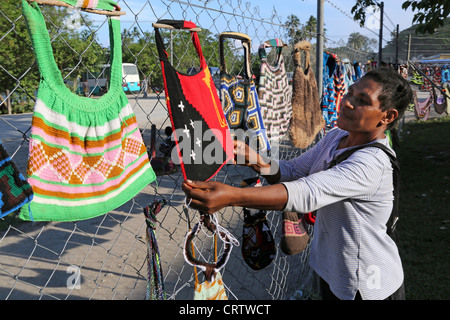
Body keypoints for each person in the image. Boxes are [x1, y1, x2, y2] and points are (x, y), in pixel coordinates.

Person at [182, 68, 413, 300]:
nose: (348, 102)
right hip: (332, 270)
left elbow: (306, 191)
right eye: (350, 93)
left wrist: (232, 196)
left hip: (367, 284)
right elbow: (294, 171)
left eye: (362, 101)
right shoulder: (336, 137)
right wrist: (258, 161)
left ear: (387, 116)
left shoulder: (372, 162)